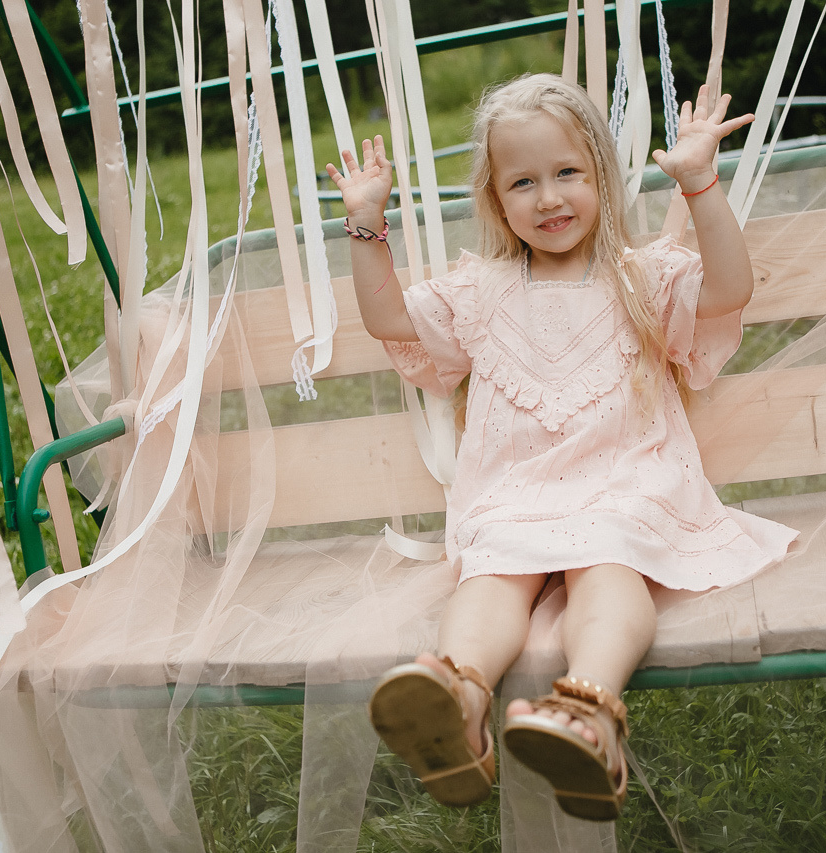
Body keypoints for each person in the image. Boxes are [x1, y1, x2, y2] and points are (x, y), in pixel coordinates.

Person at [325, 73, 797, 822]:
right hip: (515, 493)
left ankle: (592, 710)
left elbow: (729, 290)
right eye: (523, 182)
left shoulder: (641, 275)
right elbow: (390, 320)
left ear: (602, 176)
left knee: (607, 560)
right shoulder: (479, 292)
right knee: (492, 573)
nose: (548, 198)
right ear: (496, 198)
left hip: (627, 484)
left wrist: (703, 183)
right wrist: (364, 222)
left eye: (567, 173)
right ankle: (460, 698)